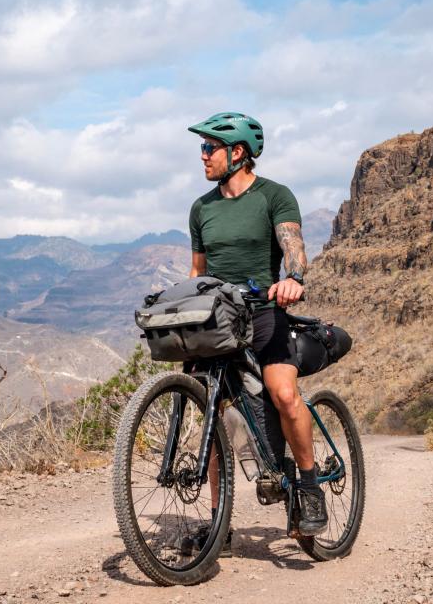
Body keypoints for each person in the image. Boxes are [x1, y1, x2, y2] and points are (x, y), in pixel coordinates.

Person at [183, 112, 328, 555]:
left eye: (210, 147)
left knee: (283, 394)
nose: (203, 155)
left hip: (265, 313)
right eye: (203, 147)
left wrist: (294, 278)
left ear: (238, 152)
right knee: (211, 419)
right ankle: (218, 525)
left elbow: (293, 247)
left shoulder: (274, 196)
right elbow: (197, 272)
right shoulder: (201, 208)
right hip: (219, 320)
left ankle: (308, 488)